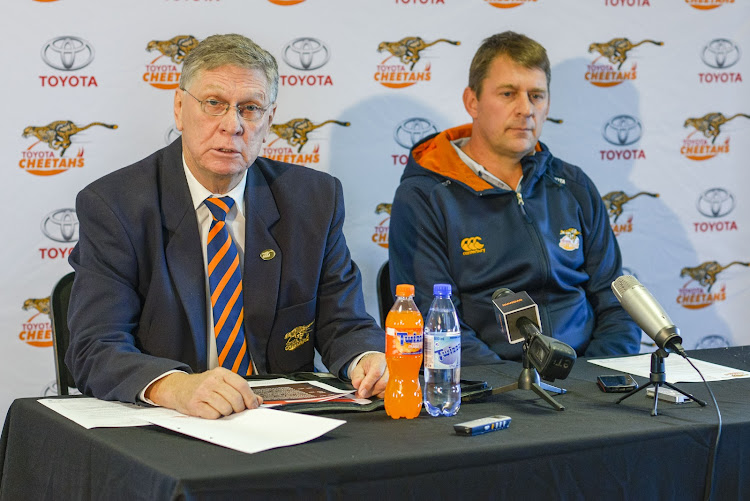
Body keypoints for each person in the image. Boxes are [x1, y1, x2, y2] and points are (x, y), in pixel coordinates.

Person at [66, 34, 387, 419]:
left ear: (269, 120)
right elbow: (95, 347)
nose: (232, 125)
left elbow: (344, 323)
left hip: (284, 421)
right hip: (170, 421)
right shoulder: (117, 205)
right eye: (214, 104)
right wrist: (176, 386)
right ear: (180, 107)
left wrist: (367, 359)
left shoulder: (313, 199)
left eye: (250, 108)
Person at [388, 31, 641, 365]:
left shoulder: (574, 185)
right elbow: (436, 323)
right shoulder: (425, 195)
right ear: (472, 102)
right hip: (492, 391)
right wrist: (513, 389)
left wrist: (593, 378)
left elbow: (617, 304)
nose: (526, 109)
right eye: (508, 94)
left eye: (536, 95)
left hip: (587, 379)